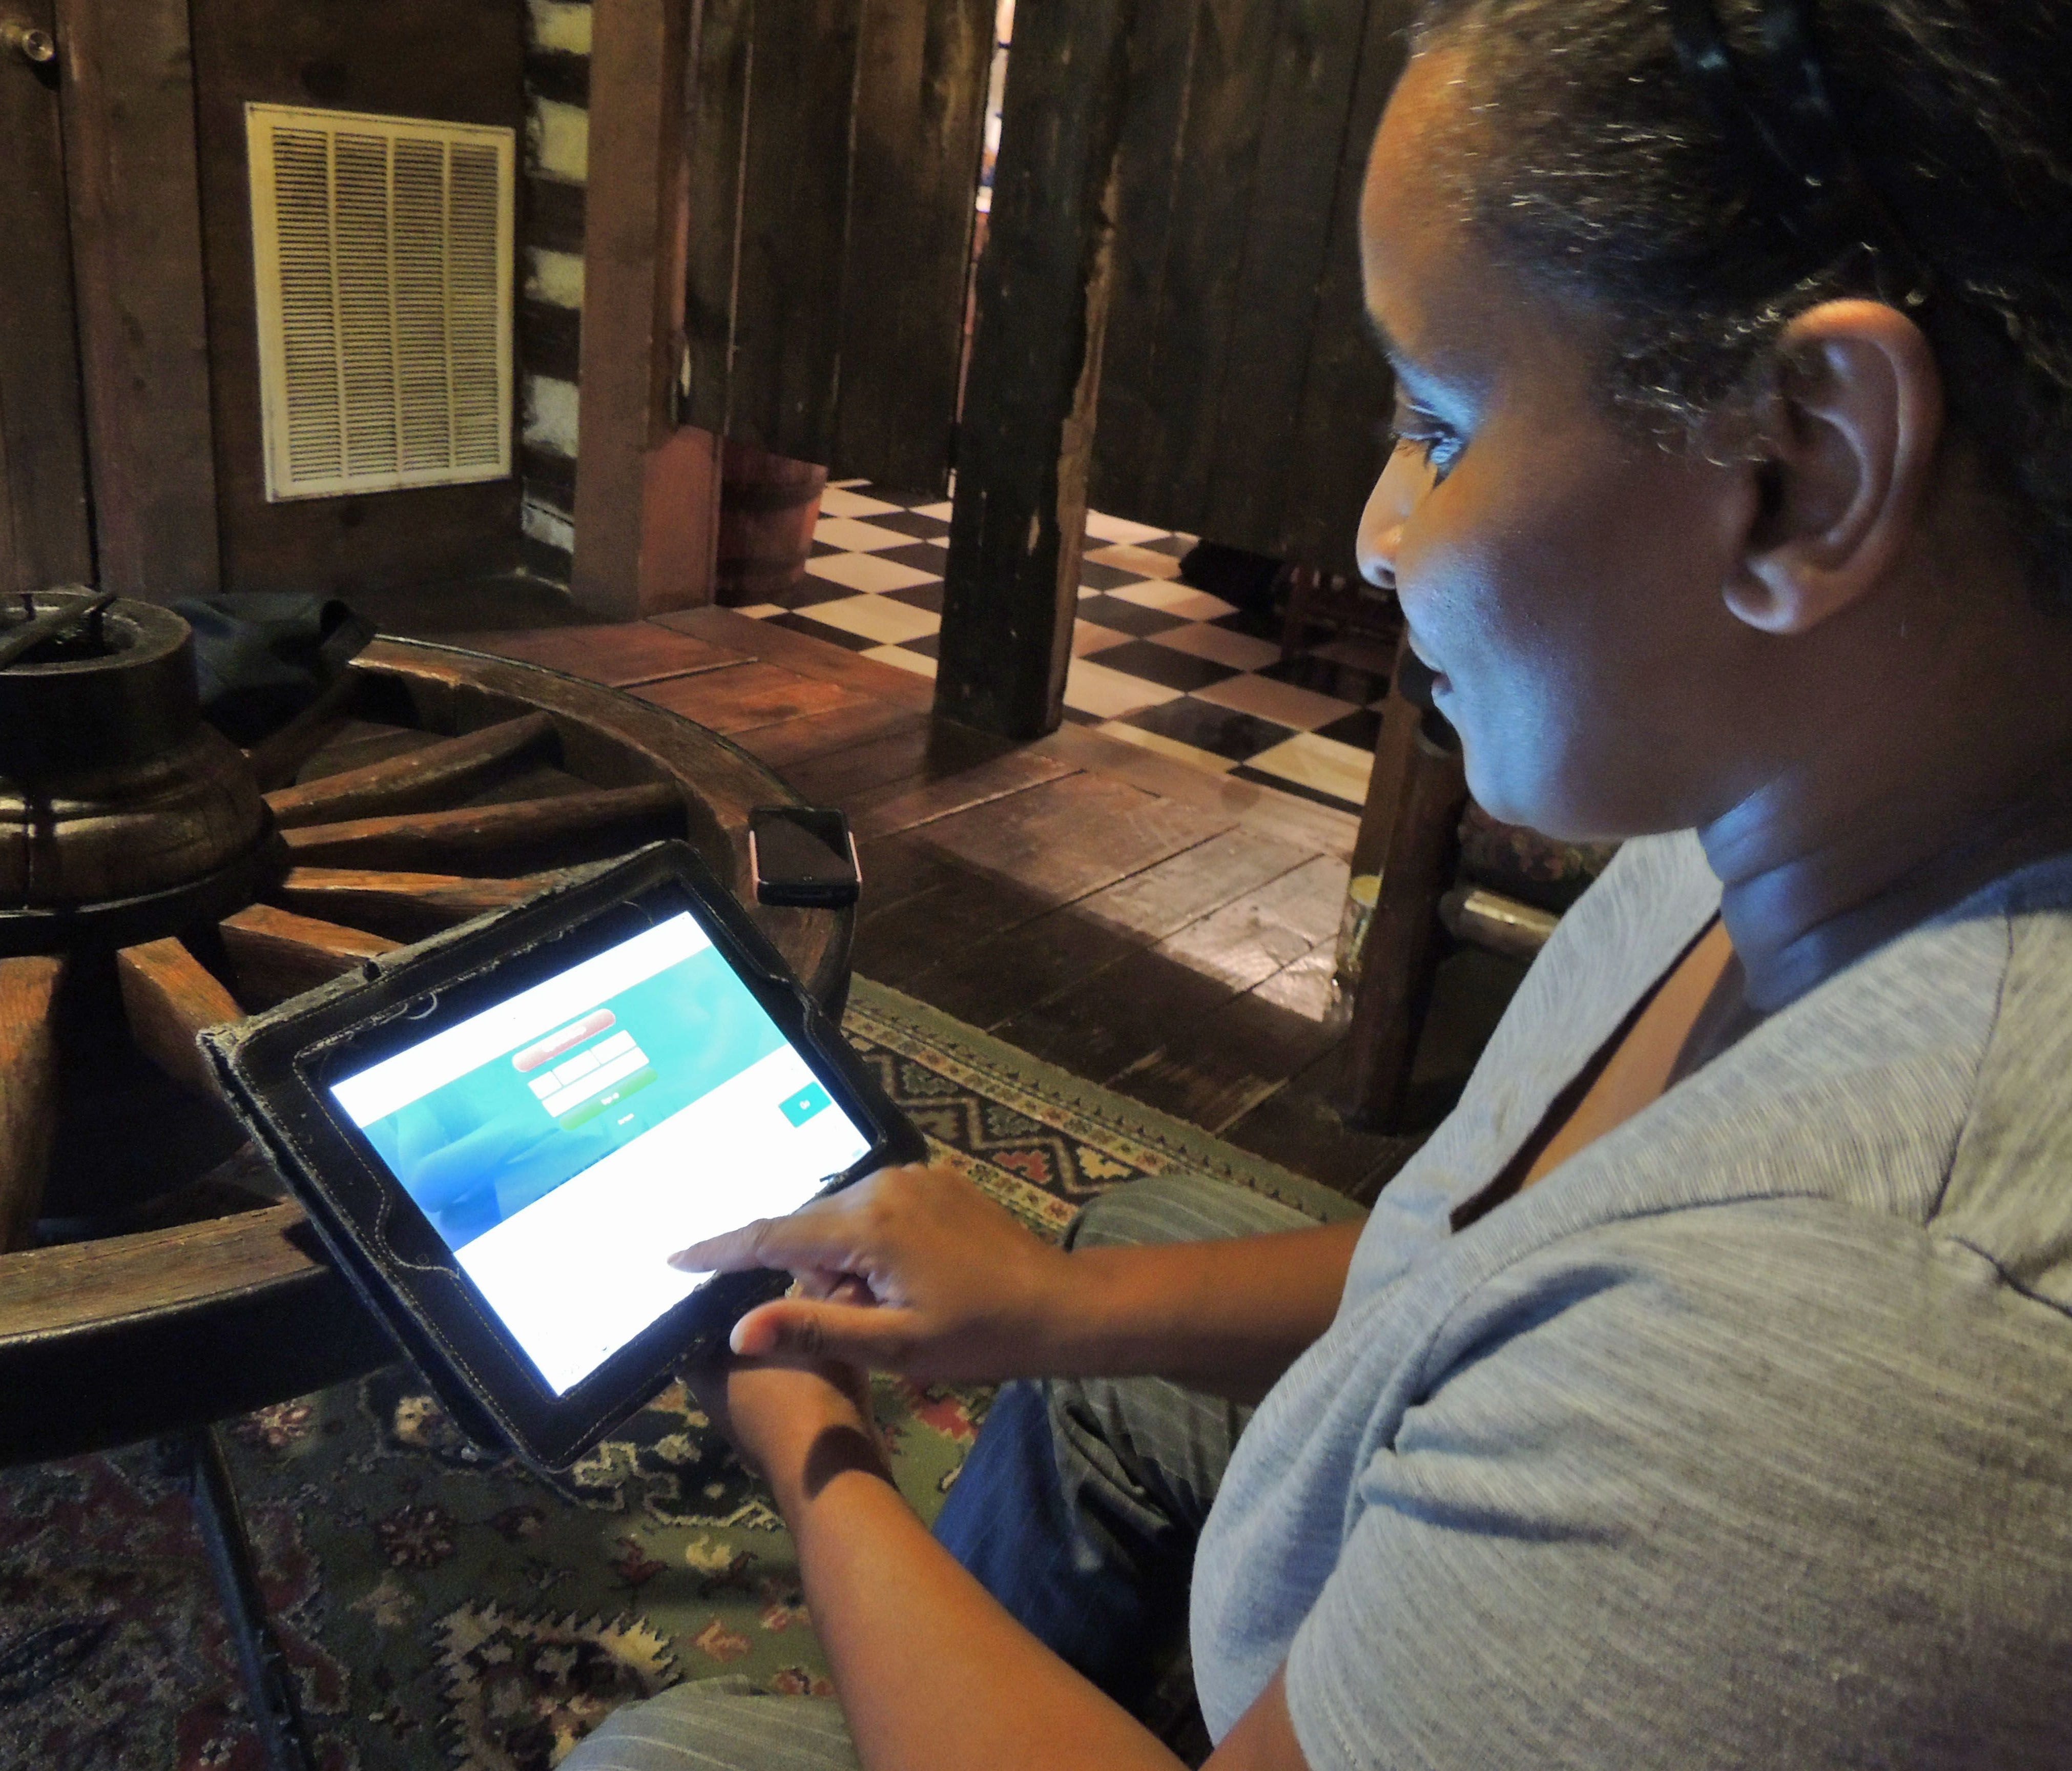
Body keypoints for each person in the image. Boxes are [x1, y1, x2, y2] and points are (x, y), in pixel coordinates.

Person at [565, 1, 2072, 1764]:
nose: (1375, 527)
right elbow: (1493, 1254)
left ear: (1809, 467)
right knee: (1129, 1251)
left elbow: (1658, 1328)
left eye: (1434, 420)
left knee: (655, 1757)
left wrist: (814, 1459)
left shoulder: (1854, 1340)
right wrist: (1051, 1317)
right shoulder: (1815, 782)